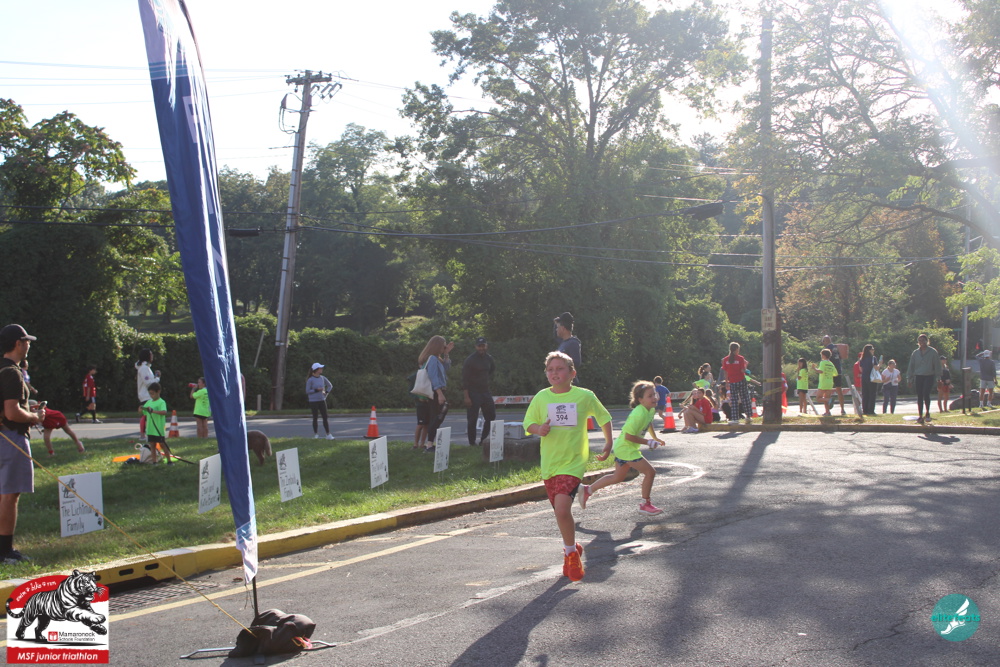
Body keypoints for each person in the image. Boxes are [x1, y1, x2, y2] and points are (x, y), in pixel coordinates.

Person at [523, 351, 612, 582]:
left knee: (562, 509)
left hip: (573, 462)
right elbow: (528, 423)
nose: (554, 373)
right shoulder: (542, 397)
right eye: (550, 369)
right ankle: (572, 547)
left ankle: (571, 555)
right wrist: (539, 429)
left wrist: (608, 442)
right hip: (550, 463)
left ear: (572, 373)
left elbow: (603, 417)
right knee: (559, 512)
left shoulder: (584, 396)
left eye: (560, 369)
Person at [579, 381, 663, 515]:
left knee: (617, 477)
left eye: (655, 394)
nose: (654, 398)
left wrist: (655, 438)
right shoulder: (638, 414)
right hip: (626, 448)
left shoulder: (650, 410)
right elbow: (629, 436)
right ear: (640, 400)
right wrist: (648, 442)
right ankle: (645, 505)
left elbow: (649, 423)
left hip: (623, 447)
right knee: (650, 472)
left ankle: (587, 490)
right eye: (650, 396)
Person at [0, 324, 44, 564]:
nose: (28, 345)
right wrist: (34, 417)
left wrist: (27, 409)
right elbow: (12, 412)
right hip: (11, 438)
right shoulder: (13, 372)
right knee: (9, 495)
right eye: (26, 341)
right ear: (18, 343)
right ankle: (5, 551)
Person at [419, 335, 453, 452]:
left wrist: (446, 354)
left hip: (438, 390)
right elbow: (433, 377)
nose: (445, 347)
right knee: (437, 416)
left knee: (437, 415)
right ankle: (429, 444)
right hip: (436, 390)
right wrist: (439, 393)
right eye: (443, 345)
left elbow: (446, 368)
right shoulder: (432, 359)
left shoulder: (436, 359)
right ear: (437, 346)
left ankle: (430, 443)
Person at [461, 337, 496, 446]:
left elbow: (491, 371)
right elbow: (464, 379)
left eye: (483, 346)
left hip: (485, 392)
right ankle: (472, 443)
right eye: (479, 346)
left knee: (491, 416)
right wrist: (466, 396)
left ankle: (483, 440)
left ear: (486, 346)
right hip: (473, 393)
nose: (481, 348)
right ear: (476, 347)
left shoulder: (489, 358)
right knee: (472, 419)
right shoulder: (470, 360)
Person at [906, 333, 941, 424]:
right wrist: (909, 379)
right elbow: (911, 366)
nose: (921, 342)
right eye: (920, 341)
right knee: (920, 395)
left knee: (926, 393)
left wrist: (938, 378)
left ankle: (928, 413)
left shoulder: (932, 352)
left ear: (927, 341)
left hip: (929, 375)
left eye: (923, 340)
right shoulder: (915, 353)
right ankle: (920, 415)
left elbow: (937, 365)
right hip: (919, 376)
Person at [139, 382, 174, 464]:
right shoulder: (149, 402)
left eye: (153, 393)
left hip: (158, 428)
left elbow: (164, 412)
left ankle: (169, 460)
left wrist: (153, 411)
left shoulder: (161, 402)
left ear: (158, 391)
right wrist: (141, 409)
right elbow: (143, 413)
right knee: (152, 445)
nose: (151, 395)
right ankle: (154, 461)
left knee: (162, 444)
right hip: (150, 429)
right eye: (150, 394)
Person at [721, 342, 751, 424]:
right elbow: (742, 370)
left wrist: (727, 382)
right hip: (741, 380)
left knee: (734, 400)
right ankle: (748, 416)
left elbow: (725, 372)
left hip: (732, 381)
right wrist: (746, 366)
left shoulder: (725, 359)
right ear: (737, 349)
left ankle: (735, 419)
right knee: (745, 398)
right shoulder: (740, 358)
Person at [135, 349, 159, 440]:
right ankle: (143, 435)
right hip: (146, 395)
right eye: (151, 354)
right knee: (147, 416)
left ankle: (147, 434)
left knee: (148, 415)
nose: (152, 356)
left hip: (148, 395)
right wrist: (157, 379)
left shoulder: (146, 367)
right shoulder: (144, 368)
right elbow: (148, 383)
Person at [306, 363, 334, 440]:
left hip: (322, 400)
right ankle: (316, 435)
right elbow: (307, 391)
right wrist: (316, 390)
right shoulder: (310, 379)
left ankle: (328, 434)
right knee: (315, 417)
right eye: (320, 368)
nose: (321, 369)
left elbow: (330, 386)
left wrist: (326, 392)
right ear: (316, 370)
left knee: (325, 417)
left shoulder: (322, 378)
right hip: (313, 401)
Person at [821, 335, 847, 415]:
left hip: (829, 372)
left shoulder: (827, 349)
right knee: (839, 390)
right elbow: (840, 357)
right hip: (838, 371)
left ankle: (827, 411)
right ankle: (842, 409)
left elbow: (825, 360)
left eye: (823, 341)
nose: (823, 343)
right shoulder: (836, 348)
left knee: (827, 391)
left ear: (826, 341)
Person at [553, 312, 581, 381]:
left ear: (563, 328)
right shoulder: (563, 342)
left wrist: (561, 364)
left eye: (558, 327)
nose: (556, 329)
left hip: (569, 382)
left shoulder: (573, 343)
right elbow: (555, 336)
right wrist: (556, 323)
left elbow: (576, 362)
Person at [813, 348, 839, 417]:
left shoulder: (823, 362)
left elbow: (821, 371)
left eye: (821, 355)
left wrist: (814, 368)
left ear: (824, 355)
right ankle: (827, 412)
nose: (821, 356)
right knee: (825, 399)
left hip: (823, 382)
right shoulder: (831, 363)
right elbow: (836, 374)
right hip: (830, 383)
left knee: (818, 398)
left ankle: (830, 399)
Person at [859, 344, 878, 416]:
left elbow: (860, 369)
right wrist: (880, 364)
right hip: (872, 377)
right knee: (872, 394)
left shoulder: (862, 359)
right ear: (869, 350)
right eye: (872, 349)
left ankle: (865, 410)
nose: (873, 350)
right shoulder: (873, 358)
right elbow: (876, 368)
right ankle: (871, 410)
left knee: (865, 394)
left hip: (864, 377)